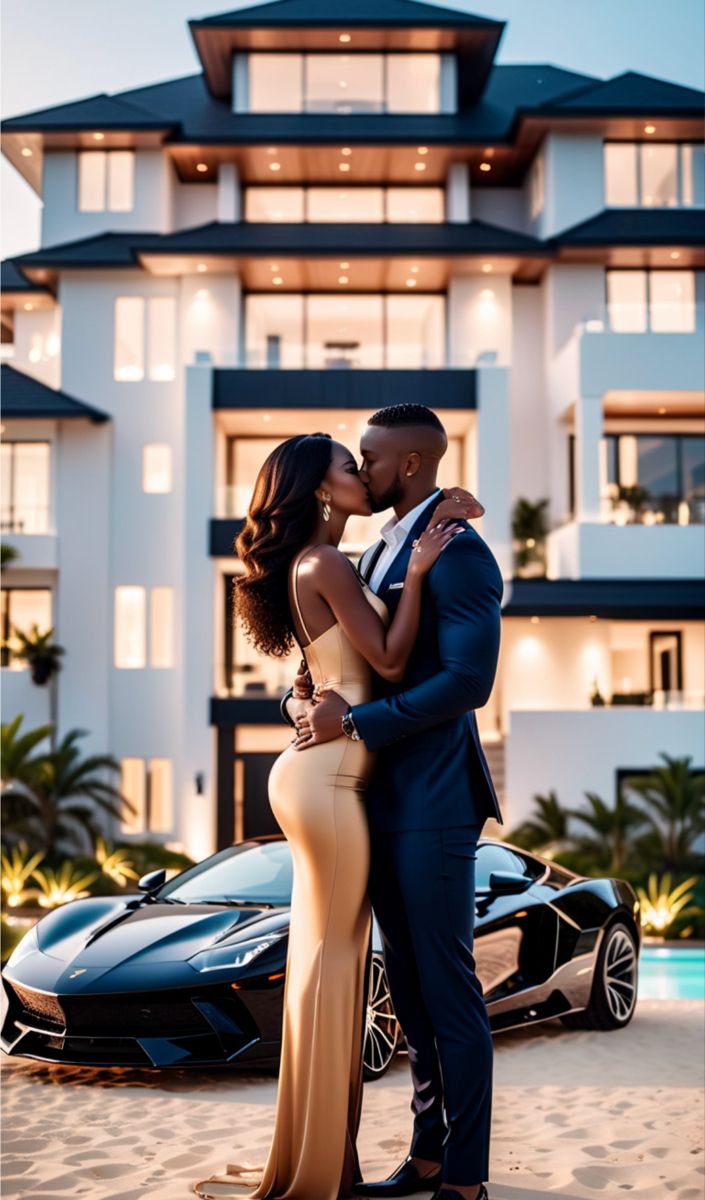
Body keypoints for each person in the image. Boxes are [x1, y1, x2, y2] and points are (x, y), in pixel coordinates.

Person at [192, 429, 481, 1200]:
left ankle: (327, 1156)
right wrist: (418, 573)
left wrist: (309, 699)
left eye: (365, 461)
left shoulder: (322, 563)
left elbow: (325, 669)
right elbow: (386, 662)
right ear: (321, 491)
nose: (360, 473)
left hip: (327, 777)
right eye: (347, 467)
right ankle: (323, 1162)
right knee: (332, 965)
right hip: (331, 781)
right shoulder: (330, 561)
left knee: (333, 963)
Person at [290, 405, 504, 1200]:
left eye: (370, 458)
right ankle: (423, 1158)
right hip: (370, 799)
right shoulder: (383, 550)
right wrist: (303, 700)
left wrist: (359, 720)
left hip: (435, 801)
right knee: (409, 996)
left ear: (408, 466)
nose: (361, 468)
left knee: (448, 992)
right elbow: (345, 657)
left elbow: (465, 683)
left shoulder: (459, 555)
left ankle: (466, 1178)